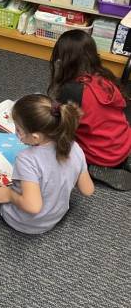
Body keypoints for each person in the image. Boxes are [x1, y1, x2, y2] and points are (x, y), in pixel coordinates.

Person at [0, 94, 95, 234]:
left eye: (18, 130)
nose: (15, 133)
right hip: (55, 216)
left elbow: (33, 207)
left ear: (35, 137)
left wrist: (9, 195)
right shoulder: (74, 147)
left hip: (25, 223)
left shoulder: (26, 159)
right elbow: (88, 189)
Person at [48, 29, 131, 191]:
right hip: (123, 141)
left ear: (62, 60)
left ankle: (95, 167)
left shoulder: (70, 90)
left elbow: (60, 121)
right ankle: (121, 159)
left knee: (53, 143)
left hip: (101, 154)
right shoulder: (104, 76)